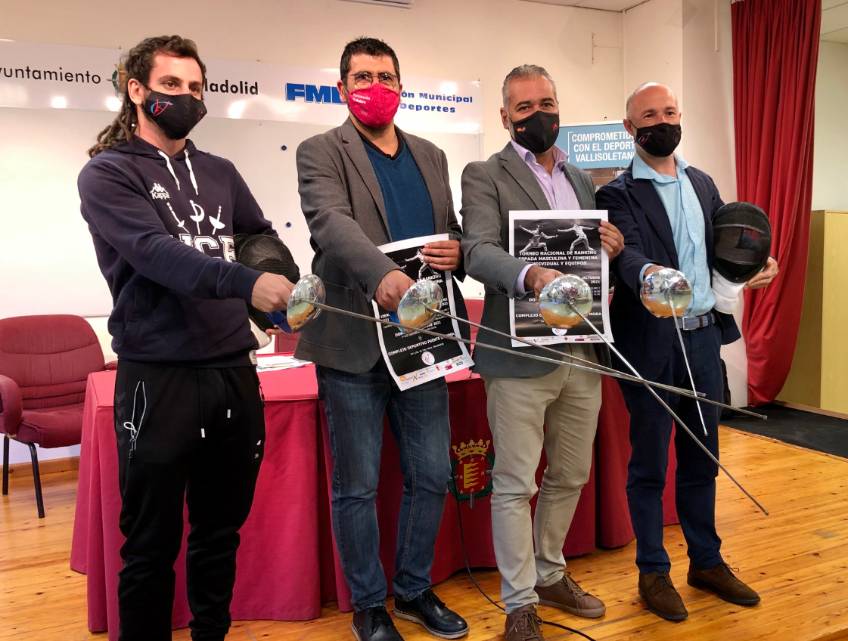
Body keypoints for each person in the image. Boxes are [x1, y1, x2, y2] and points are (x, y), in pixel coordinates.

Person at [77, 35, 294, 641]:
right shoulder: (108, 173)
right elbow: (157, 255)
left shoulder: (220, 171)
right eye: (171, 85)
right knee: (149, 545)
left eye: (196, 87)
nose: (187, 97)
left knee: (220, 534)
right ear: (137, 90)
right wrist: (248, 283)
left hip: (232, 371)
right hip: (158, 376)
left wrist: (281, 283)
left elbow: (256, 235)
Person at [294, 37, 469, 641]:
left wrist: (458, 249)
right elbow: (330, 224)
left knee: (431, 474)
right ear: (342, 88)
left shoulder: (432, 155)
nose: (377, 86)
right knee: (357, 486)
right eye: (364, 77)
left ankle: (414, 590)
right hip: (354, 342)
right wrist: (382, 276)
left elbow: (450, 230)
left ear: (401, 85)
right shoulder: (321, 150)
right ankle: (369, 605)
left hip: (424, 341)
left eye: (386, 76)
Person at [595, 82, 779, 622]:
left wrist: (754, 264)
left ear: (681, 117)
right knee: (650, 463)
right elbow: (625, 257)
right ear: (630, 128)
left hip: (702, 339)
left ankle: (707, 561)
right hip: (651, 343)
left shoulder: (702, 183)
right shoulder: (617, 194)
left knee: (703, 457)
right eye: (649, 115)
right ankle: (653, 571)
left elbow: (728, 245)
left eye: (670, 112)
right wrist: (652, 275)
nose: (662, 122)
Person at [460, 64, 624, 641]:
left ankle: (550, 573)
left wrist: (609, 247)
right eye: (525, 107)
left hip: (580, 350)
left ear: (559, 107)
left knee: (571, 474)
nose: (538, 115)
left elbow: (587, 256)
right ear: (505, 116)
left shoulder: (580, 178)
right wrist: (529, 275)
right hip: (518, 353)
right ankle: (519, 603)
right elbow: (476, 251)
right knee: (515, 483)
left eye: (546, 103)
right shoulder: (484, 174)